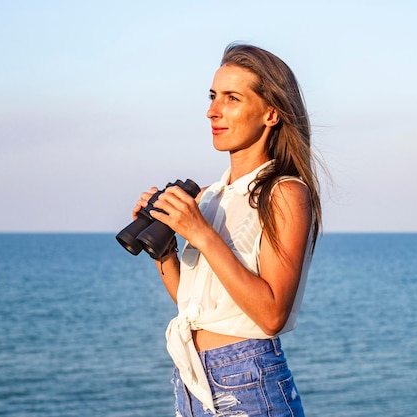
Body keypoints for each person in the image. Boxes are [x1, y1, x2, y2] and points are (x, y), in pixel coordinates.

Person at [132, 43, 322, 416]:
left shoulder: (285, 193)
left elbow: (271, 315)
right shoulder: (211, 196)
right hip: (192, 381)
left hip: (248, 380)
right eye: (213, 96)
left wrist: (201, 233)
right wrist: (165, 248)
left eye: (232, 98)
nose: (212, 111)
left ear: (271, 113)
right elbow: (198, 307)